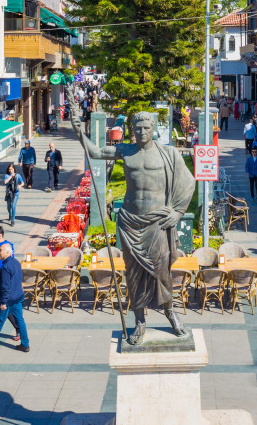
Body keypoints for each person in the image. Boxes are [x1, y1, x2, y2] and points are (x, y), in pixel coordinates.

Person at [70, 94, 194, 345]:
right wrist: (78, 129)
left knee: (162, 272)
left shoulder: (168, 154)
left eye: (146, 128)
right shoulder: (124, 151)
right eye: (136, 128)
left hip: (158, 223)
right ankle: (139, 321)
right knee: (134, 274)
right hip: (130, 222)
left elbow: (188, 182)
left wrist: (178, 212)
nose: (141, 132)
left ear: (153, 129)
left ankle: (171, 314)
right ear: (132, 131)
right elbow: (94, 152)